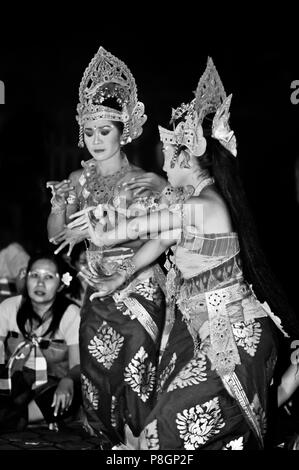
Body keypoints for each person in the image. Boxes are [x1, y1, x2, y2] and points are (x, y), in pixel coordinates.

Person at [73, 57, 299, 450]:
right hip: (202, 330)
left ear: (184, 155)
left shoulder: (204, 205)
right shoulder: (194, 201)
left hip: (230, 334)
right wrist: (119, 275)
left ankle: (290, 383)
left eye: (165, 150)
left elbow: (142, 224)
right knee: (184, 426)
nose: (162, 159)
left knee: (169, 432)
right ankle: (289, 383)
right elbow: (159, 238)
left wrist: (107, 229)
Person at [47, 46, 167, 449]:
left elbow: (164, 232)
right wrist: (63, 206)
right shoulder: (77, 182)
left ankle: (142, 448)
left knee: (135, 368)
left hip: (138, 285)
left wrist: (107, 232)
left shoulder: (145, 181)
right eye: (89, 132)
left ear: (123, 131)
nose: (96, 140)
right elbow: (55, 235)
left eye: (105, 131)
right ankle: (108, 447)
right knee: (96, 371)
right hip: (95, 287)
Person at [0, 252, 81, 433]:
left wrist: (68, 380)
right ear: (26, 278)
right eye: (34, 275)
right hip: (13, 383)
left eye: (49, 277)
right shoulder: (9, 307)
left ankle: (14, 419)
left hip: (51, 388)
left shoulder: (71, 314)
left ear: (60, 285)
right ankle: (26, 420)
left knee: (76, 394)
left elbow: (77, 365)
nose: (40, 283)